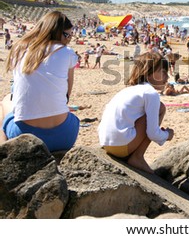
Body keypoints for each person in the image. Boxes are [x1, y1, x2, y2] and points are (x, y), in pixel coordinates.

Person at [0, 11, 80, 151]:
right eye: (67, 35)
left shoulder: (20, 49)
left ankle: (3, 148)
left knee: (5, 102)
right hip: (63, 137)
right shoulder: (67, 52)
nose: (68, 40)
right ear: (55, 32)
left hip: (24, 136)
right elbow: (67, 93)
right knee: (69, 115)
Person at [98, 52, 174, 173]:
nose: (167, 77)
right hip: (120, 147)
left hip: (106, 143)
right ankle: (138, 157)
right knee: (161, 108)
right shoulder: (150, 93)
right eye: (163, 72)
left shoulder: (129, 90)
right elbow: (152, 133)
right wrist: (167, 135)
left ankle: (132, 153)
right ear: (148, 72)